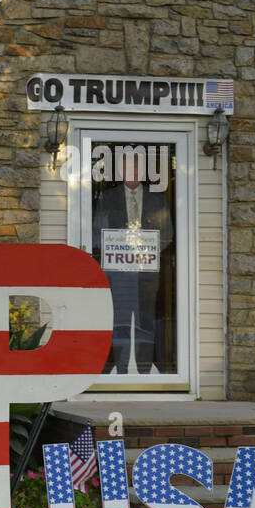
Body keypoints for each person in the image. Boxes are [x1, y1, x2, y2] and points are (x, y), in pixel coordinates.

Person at [90, 153, 173, 374]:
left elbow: (167, 233)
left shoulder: (156, 198)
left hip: (147, 272)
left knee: (145, 321)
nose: (132, 173)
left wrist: (150, 252)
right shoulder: (108, 198)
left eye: (136, 168)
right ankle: (122, 370)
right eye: (128, 168)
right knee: (120, 320)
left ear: (143, 172)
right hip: (119, 273)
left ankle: (144, 371)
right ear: (121, 172)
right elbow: (98, 232)